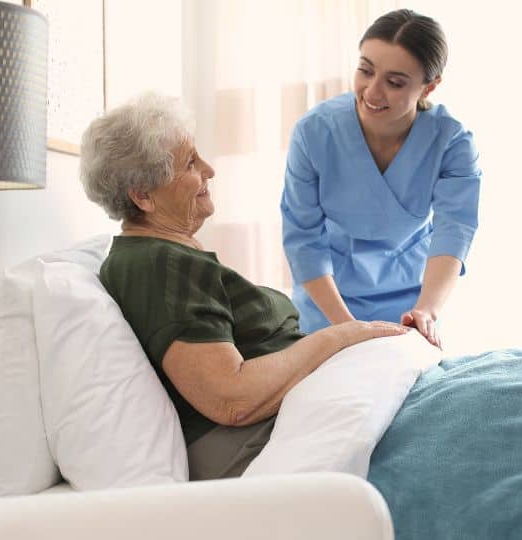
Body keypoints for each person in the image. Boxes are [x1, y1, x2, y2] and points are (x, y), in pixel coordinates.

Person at [80, 94, 408, 480]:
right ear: (143, 196)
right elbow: (231, 398)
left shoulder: (159, 256)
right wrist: (343, 337)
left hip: (292, 415)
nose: (209, 170)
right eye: (190, 162)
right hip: (256, 440)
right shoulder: (159, 265)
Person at [281, 9, 481, 348]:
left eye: (395, 82)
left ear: (429, 87)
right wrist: (347, 329)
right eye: (365, 71)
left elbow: (454, 231)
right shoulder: (314, 133)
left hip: (411, 300)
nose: (372, 92)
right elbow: (303, 240)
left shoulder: (452, 143)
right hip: (327, 300)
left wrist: (427, 311)